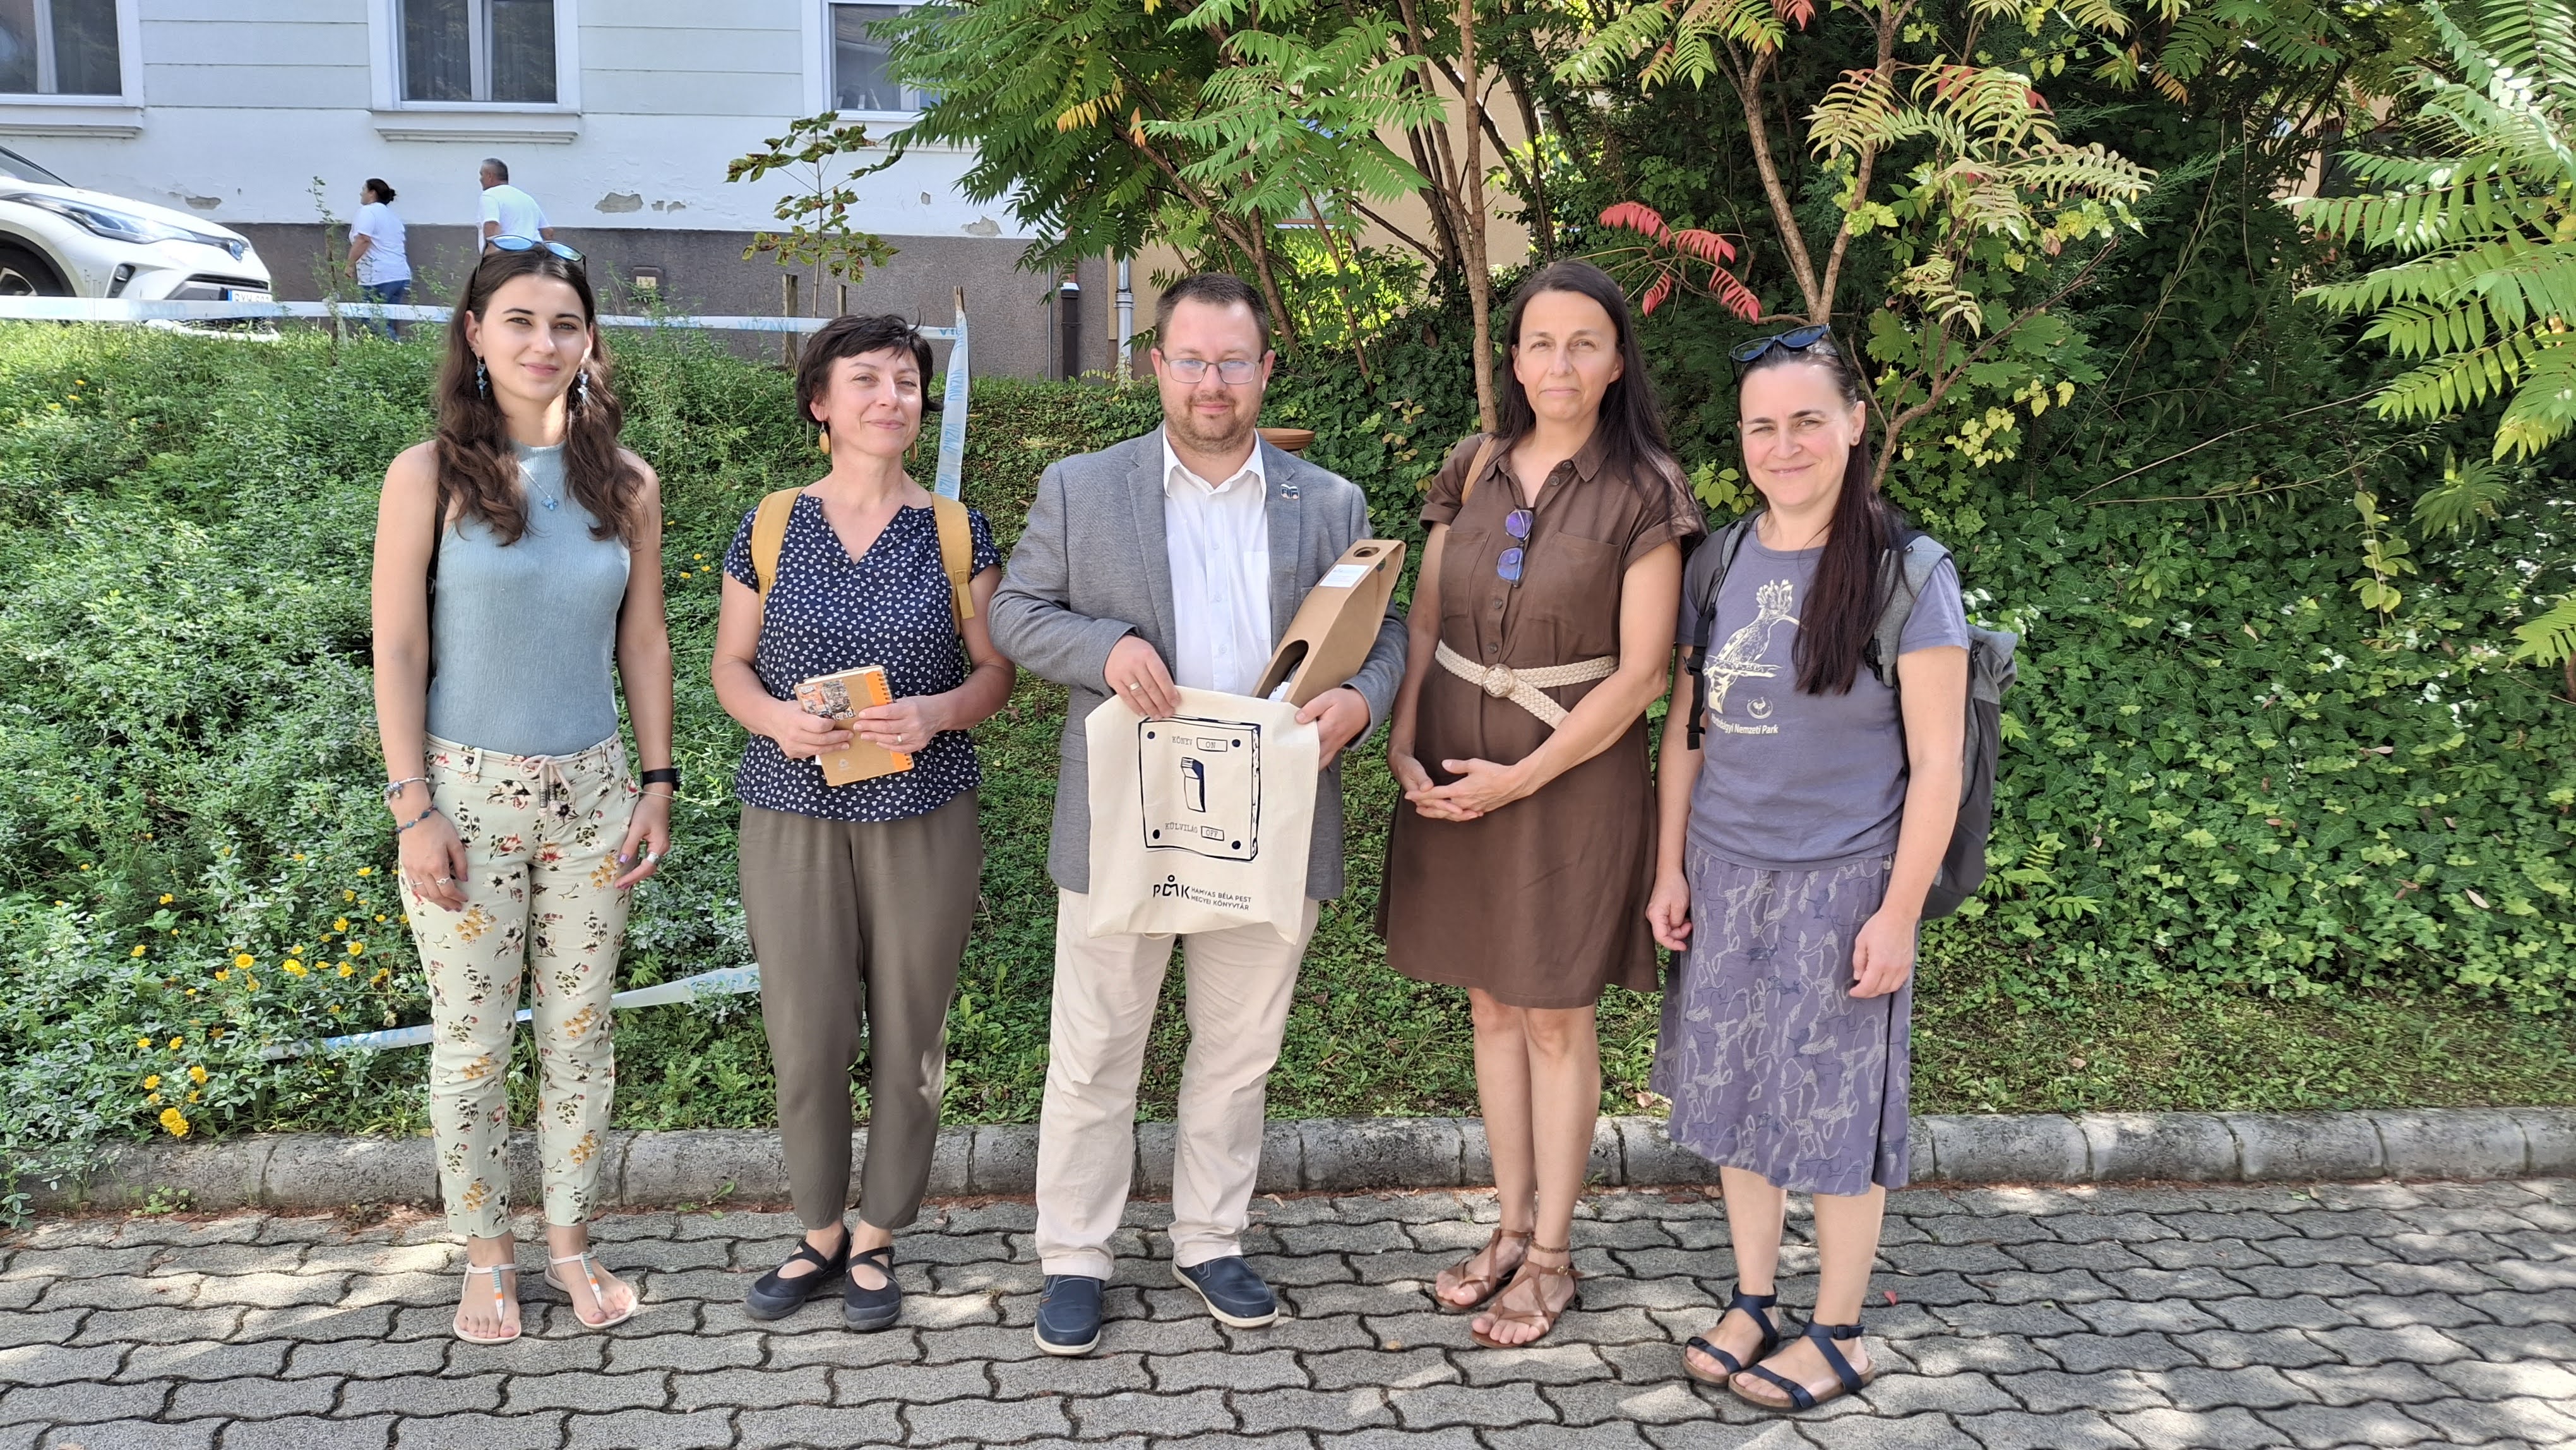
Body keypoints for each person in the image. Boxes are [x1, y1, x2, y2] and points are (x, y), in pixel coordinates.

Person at [990, 272, 1406, 1358]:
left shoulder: (1330, 502)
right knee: (1095, 1048)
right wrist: (1105, 648)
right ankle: (1076, 1253)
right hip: (1128, 815)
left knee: (1238, 1050)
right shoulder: (1083, 488)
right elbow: (1015, 611)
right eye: (1190, 360)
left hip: (1271, 816)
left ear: (1265, 369)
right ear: (1156, 366)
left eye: (1232, 361)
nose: (1210, 382)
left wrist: (1363, 701)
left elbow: (1388, 632)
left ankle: (1210, 1238)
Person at [1378, 259, 1702, 1348]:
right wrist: (1404, 742)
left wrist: (1522, 776)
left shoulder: (1648, 488)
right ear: (1514, 360)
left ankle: (1555, 1256)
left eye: (1583, 344)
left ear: (1615, 364)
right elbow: (1427, 619)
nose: (1559, 363)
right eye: (1540, 343)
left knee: (1556, 1012)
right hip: (1453, 764)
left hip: (1572, 782)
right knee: (1490, 1004)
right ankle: (1510, 1228)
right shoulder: (1472, 466)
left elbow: (1643, 674)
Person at [1647, 325, 1969, 1410]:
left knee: (1834, 1112)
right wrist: (1670, 869)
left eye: (1807, 422)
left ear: (1855, 425)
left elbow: (1939, 766)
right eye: (1762, 427)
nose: (1783, 446)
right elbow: (1688, 727)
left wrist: (1900, 911)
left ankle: (1840, 1329)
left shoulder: (1908, 574)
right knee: (1736, 1098)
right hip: (1725, 873)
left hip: (1846, 883)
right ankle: (1754, 1299)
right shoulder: (1719, 561)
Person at [369, 243, 674, 1345]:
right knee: (474, 1044)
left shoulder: (626, 483)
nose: (544, 343)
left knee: (581, 1038)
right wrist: (413, 808)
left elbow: (645, 642)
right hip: (464, 798)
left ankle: (570, 1243)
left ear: (590, 340)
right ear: (475, 334)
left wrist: (657, 782)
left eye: (565, 324)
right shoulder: (427, 476)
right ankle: (486, 1254)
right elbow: (399, 648)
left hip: (594, 796)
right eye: (520, 321)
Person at [710, 314, 1012, 1331]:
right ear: (821, 404)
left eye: (907, 382)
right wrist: (775, 721)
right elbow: (729, 666)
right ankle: (818, 1231)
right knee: (806, 1032)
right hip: (790, 809)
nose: (892, 398)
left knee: (911, 1033)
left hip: (923, 808)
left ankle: (879, 1233)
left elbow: (997, 671)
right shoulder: (770, 524)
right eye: (867, 381)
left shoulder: (957, 530)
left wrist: (936, 712)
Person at [349, 177, 410, 340]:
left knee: (373, 320)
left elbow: (363, 239)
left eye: (364, 189)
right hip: (398, 275)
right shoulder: (392, 216)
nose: (361, 193)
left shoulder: (367, 212)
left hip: (378, 276)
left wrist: (349, 264)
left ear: (372, 193)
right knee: (386, 320)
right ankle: (394, 351)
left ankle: (395, 347)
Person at [478, 158, 554, 250]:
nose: (480, 179)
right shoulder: (527, 198)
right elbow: (548, 232)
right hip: (535, 253)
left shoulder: (490, 195)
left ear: (490, 176)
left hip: (509, 254)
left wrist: (490, 255)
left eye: (482, 175)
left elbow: (491, 225)